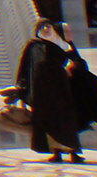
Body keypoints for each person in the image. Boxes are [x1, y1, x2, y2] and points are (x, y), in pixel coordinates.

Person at [13, 19, 84, 162]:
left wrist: (73, 67)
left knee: (66, 120)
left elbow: (78, 62)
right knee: (48, 121)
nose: (45, 29)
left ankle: (72, 152)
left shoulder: (62, 44)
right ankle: (56, 152)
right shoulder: (33, 46)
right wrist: (22, 87)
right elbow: (25, 67)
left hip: (61, 88)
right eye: (42, 27)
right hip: (42, 91)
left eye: (48, 26)